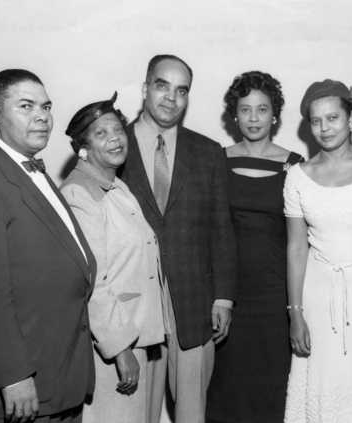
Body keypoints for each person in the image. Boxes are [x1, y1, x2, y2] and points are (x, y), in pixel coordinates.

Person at [0, 69, 96, 422]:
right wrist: (12, 375)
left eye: (46, 107)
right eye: (26, 106)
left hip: (57, 382)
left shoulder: (31, 172)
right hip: (17, 391)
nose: (42, 116)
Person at [120, 54, 237, 423]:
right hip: (134, 307)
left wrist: (223, 297)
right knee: (135, 413)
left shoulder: (208, 152)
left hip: (194, 304)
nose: (171, 98)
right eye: (162, 85)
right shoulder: (112, 144)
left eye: (181, 90)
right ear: (144, 89)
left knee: (191, 414)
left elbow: (222, 227)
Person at [60, 93, 169, 423]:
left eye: (117, 130)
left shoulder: (115, 185)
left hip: (134, 329)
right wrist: (120, 348)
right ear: (83, 148)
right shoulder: (80, 194)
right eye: (101, 133)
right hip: (111, 340)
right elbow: (93, 280)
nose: (114, 139)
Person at [283, 79, 352, 423]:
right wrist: (295, 312)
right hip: (317, 296)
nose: (324, 128)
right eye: (316, 121)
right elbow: (296, 247)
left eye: (333, 118)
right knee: (321, 385)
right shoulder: (298, 176)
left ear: (351, 118)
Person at [207, 71, 303, 423]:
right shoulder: (217, 160)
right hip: (227, 294)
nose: (253, 118)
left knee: (272, 388)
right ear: (234, 114)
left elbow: (301, 240)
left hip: (275, 295)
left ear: (275, 114)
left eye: (262, 110)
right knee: (225, 389)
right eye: (245, 110)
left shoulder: (295, 164)